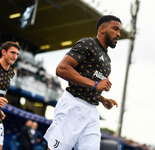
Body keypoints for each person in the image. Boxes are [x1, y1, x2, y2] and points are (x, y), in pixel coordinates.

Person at [43, 15, 121, 150]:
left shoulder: (108, 61)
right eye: (115, 29)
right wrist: (96, 85)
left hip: (92, 111)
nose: (118, 34)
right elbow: (61, 69)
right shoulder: (88, 43)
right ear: (102, 29)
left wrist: (102, 99)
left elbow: (88, 81)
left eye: (119, 31)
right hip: (74, 104)